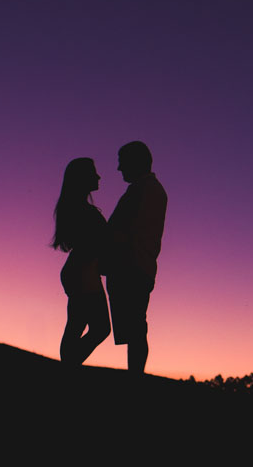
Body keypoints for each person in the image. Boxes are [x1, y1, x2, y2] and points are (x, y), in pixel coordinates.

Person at [106, 141, 167, 373]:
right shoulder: (148, 189)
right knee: (135, 329)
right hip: (136, 267)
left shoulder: (145, 190)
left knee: (135, 330)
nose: (119, 169)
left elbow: (127, 230)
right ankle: (135, 378)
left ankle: (135, 380)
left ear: (135, 162)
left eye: (122, 163)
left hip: (131, 268)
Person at [51, 157, 111, 365]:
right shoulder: (82, 211)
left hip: (83, 271)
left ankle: (69, 366)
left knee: (80, 326)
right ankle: (69, 367)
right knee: (93, 327)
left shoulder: (79, 208)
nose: (98, 176)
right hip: (83, 272)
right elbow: (96, 243)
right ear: (83, 178)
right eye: (93, 172)